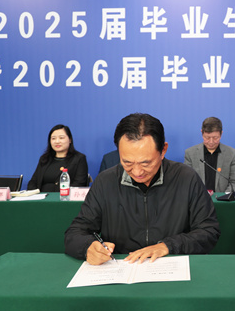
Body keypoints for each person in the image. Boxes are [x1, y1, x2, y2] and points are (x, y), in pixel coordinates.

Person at [64, 113, 220, 265]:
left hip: (171, 267)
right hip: (121, 268)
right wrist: (88, 247)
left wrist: (168, 246)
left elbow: (209, 231)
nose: (137, 172)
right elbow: (75, 233)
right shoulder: (105, 182)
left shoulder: (186, 178)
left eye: (146, 163)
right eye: (127, 163)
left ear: (163, 150)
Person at [184, 117, 235, 193]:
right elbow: (187, 181)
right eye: (207, 137)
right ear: (202, 133)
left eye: (215, 138)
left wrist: (223, 196)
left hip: (223, 199)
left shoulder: (232, 154)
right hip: (198, 198)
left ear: (221, 134)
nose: (211, 142)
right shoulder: (190, 153)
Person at [27, 124, 88, 191]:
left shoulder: (79, 159)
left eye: (61, 138)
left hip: (64, 196)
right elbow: (33, 182)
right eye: (53, 138)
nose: (57, 141)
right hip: (41, 196)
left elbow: (79, 184)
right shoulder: (44, 159)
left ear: (70, 140)